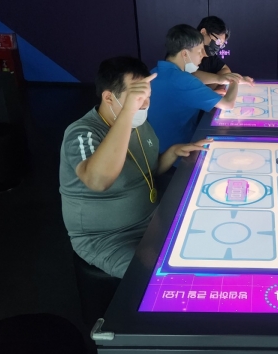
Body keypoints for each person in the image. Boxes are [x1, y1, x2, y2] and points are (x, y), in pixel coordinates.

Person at [59, 56, 209, 278]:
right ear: (108, 97)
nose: (145, 104)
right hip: (108, 239)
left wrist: (173, 152)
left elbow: (146, 171)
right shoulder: (82, 133)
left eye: (147, 96)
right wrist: (129, 111)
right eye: (137, 97)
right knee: (166, 278)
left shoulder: (139, 124)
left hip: (152, 219)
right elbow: (98, 180)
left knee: (205, 245)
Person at [148, 24, 240, 153]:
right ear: (185, 54)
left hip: (155, 150)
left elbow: (177, 98)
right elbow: (228, 104)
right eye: (199, 51)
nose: (202, 55)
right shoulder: (185, 81)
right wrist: (235, 80)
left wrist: (210, 92)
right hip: (178, 152)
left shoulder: (153, 72)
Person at [193, 16, 253, 91]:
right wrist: (219, 79)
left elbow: (226, 71)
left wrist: (211, 91)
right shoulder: (189, 51)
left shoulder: (209, 56)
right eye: (218, 41)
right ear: (203, 32)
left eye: (221, 44)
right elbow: (189, 76)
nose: (218, 47)